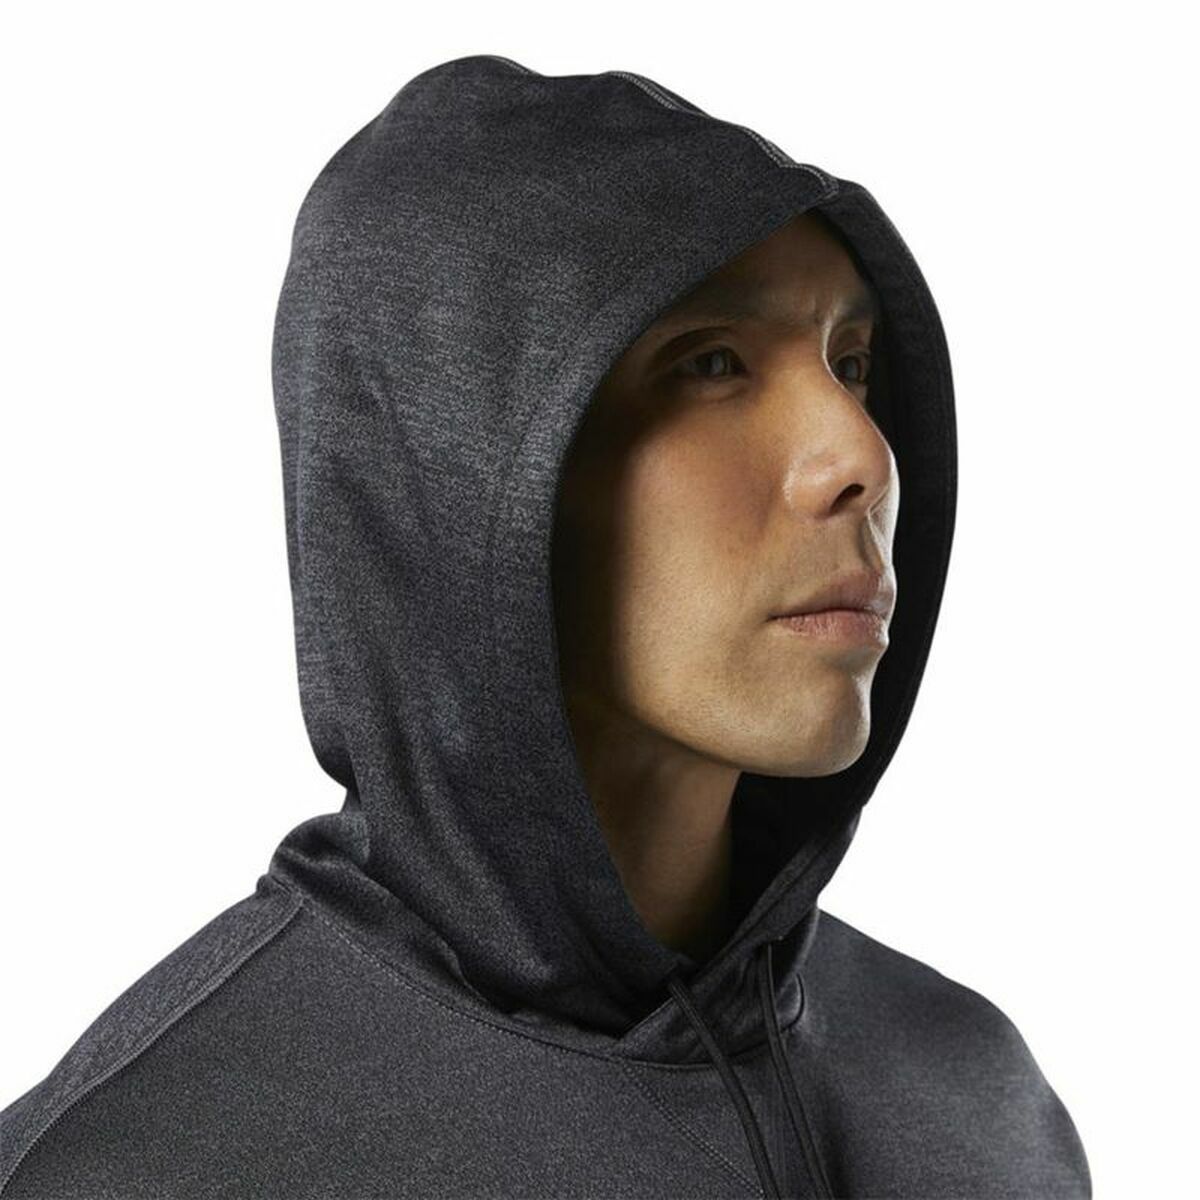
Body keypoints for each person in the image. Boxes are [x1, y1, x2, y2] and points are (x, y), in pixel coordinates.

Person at [0, 54, 1091, 1198]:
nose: (863, 456)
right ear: (456, 480)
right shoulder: (138, 1169)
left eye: (851, 365)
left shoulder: (976, 1101)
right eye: (712, 363)